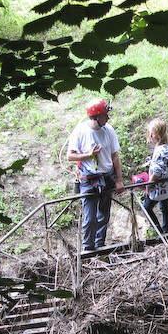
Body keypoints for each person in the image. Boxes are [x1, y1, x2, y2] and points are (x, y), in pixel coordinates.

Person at [66, 99, 125, 250]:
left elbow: (115, 156)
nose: (108, 118)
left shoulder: (109, 130)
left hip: (106, 176)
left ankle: (100, 245)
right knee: (90, 217)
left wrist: (119, 180)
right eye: (105, 115)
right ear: (96, 117)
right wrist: (88, 155)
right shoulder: (80, 131)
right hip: (88, 179)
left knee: (103, 216)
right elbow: (70, 156)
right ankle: (88, 248)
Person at [142, 118, 168, 235]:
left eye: (152, 134)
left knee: (146, 207)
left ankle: (159, 232)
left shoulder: (160, 150)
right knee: (164, 207)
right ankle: (166, 231)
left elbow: (157, 172)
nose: (150, 136)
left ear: (158, 135)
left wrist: (148, 186)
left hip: (159, 187)